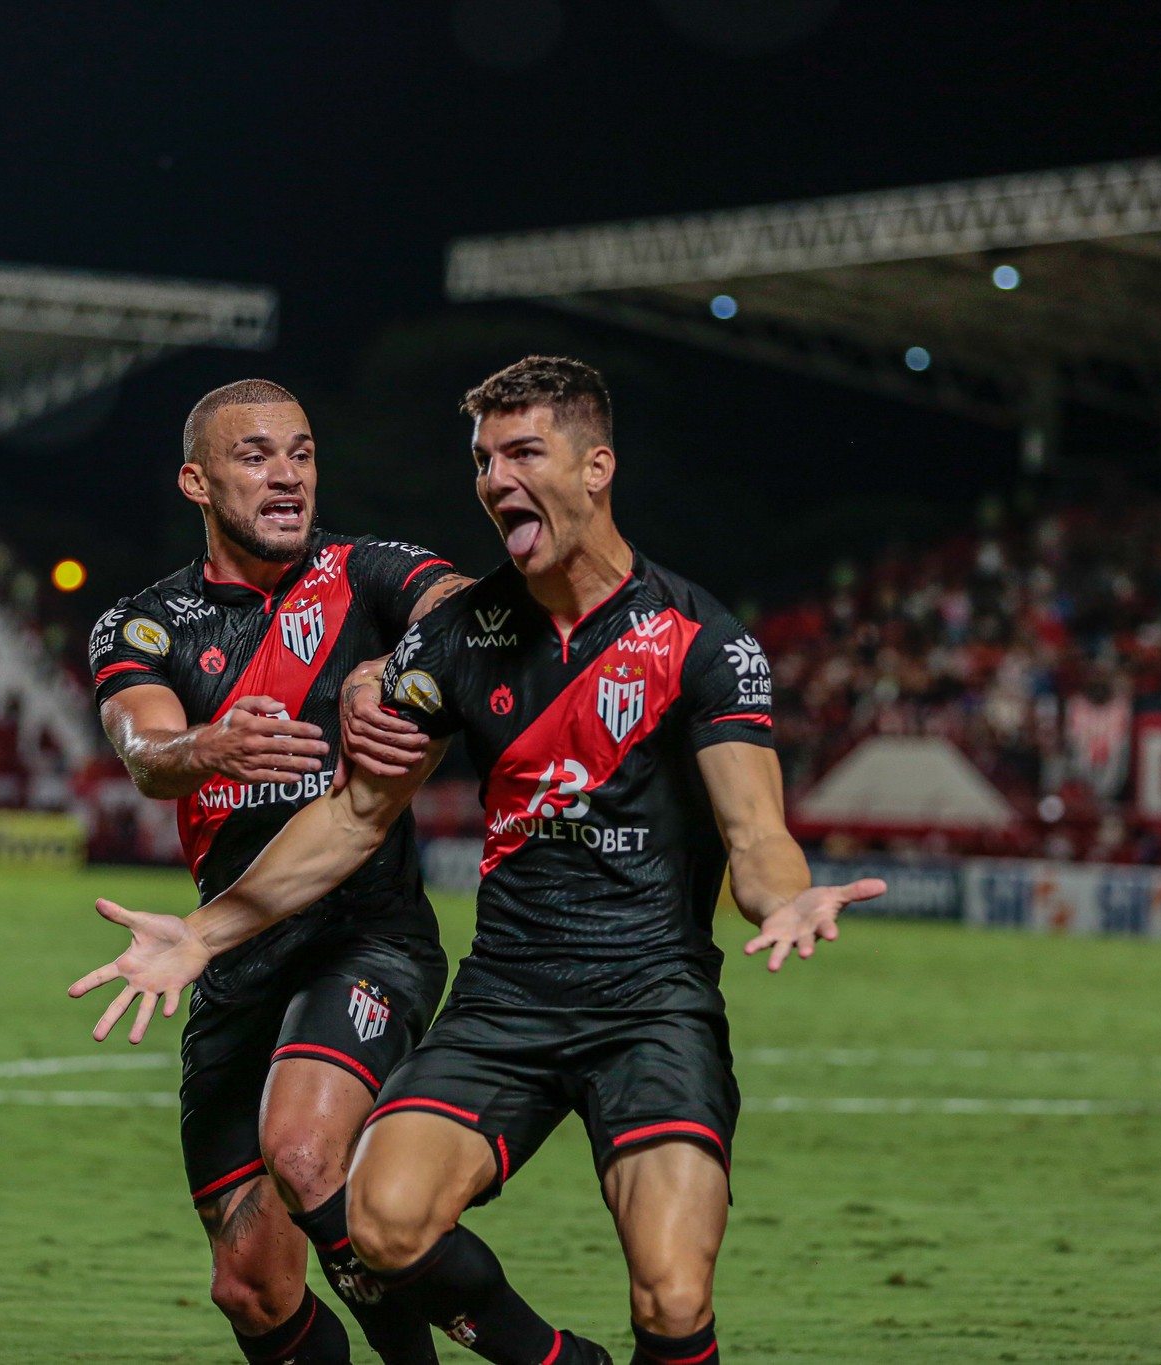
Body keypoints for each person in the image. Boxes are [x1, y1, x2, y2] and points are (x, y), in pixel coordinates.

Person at [73, 356, 887, 1365]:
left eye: (522, 454)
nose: (496, 479)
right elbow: (320, 803)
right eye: (483, 460)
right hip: (487, 998)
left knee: (672, 1297)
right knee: (317, 1251)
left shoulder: (696, 639)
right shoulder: (421, 638)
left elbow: (754, 834)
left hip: (608, 991)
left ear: (596, 468)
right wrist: (200, 914)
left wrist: (787, 897)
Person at [85, 378, 469, 1365]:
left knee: (304, 1155)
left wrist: (377, 673)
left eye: (299, 452)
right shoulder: (145, 623)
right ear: (196, 481)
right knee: (249, 1289)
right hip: (232, 954)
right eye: (255, 456)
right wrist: (205, 747)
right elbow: (140, 748)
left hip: (362, 940)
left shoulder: (370, 571)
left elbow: (464, 609)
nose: (287, 474)